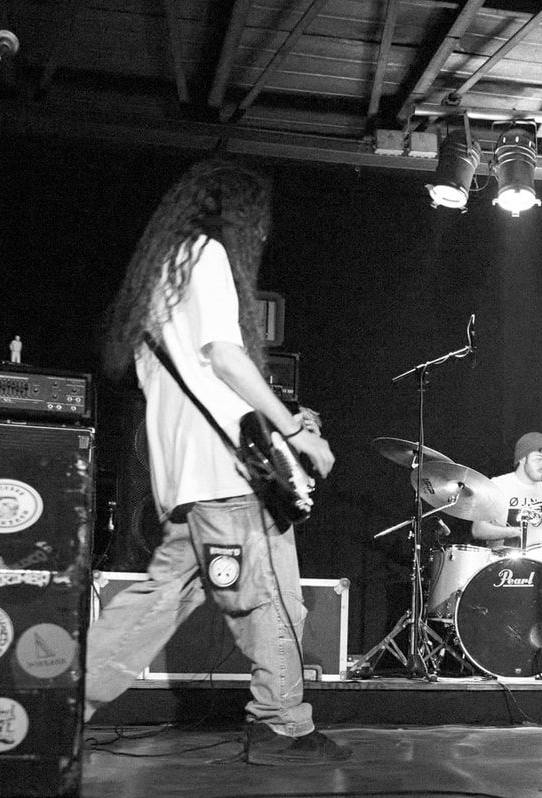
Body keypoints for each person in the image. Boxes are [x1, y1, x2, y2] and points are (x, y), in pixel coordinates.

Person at [85, 156, 349, 764]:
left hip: (183, 478)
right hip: (225, 476)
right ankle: (280, 724)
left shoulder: (157, 282)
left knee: (155, 602)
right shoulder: (204, 256)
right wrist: (294, 431)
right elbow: (225, 359)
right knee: (272, 598)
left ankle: (60, 702)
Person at [471, 431, 542, 554]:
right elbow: (478, 530)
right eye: (539, 459)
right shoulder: (498, 484)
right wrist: (516, 532)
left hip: (536, 559)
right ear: (522, 458)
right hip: (500, 559)